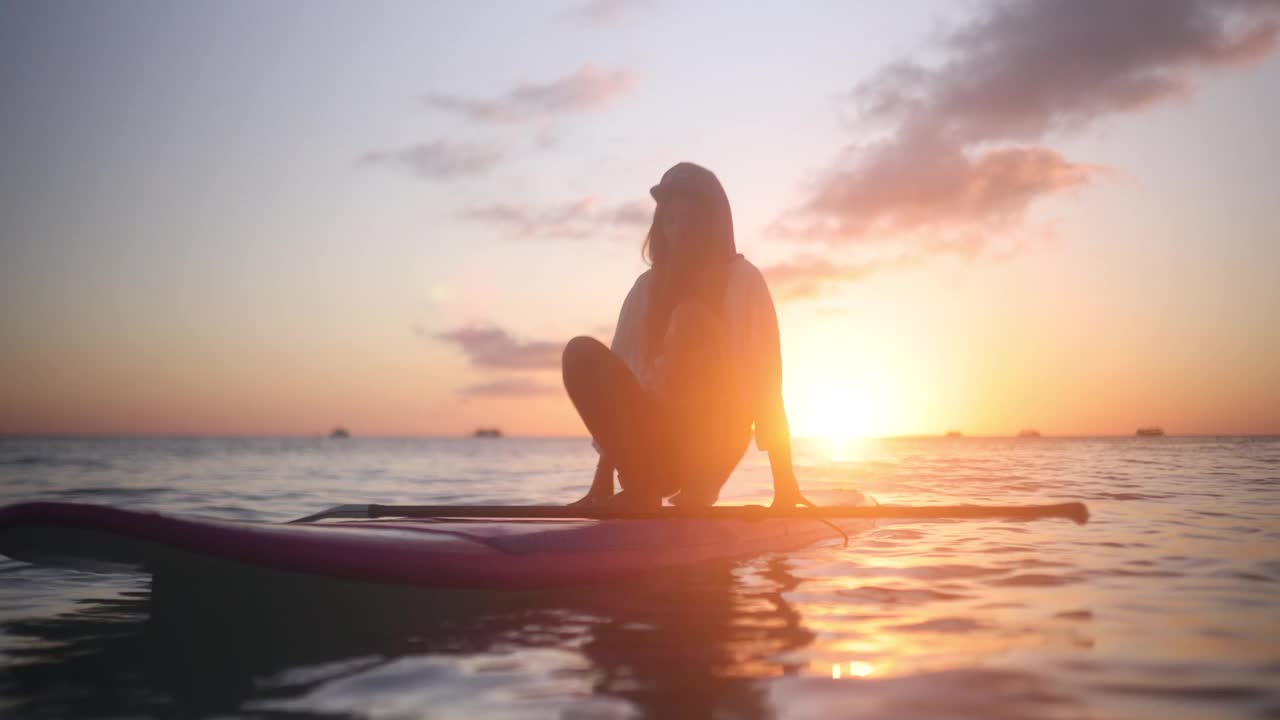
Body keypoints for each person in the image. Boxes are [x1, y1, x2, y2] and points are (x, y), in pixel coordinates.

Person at [561, 162, 812, 510]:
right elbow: (624, 373)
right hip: (651, 449)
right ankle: (643, 491)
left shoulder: (743, 280)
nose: (679, 231)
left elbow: (766, 381)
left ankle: (697, 491)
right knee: (579, 353)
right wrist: (601, 483)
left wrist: (785, 487)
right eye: (671, 221)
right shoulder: (646, 288)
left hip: (712, 448)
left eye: (691, 220)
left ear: (712, 224)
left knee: (690, 319)